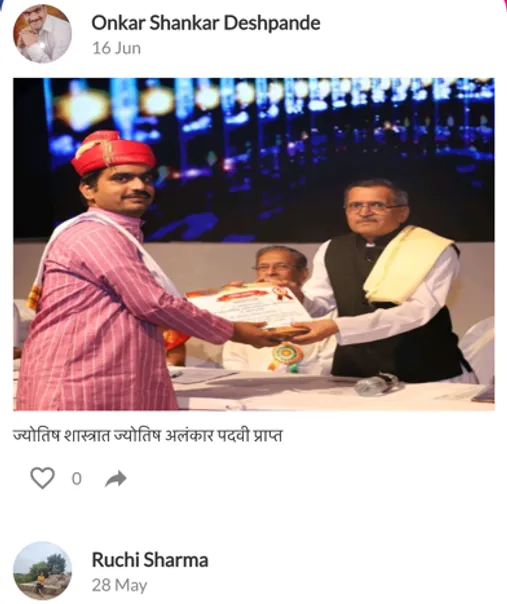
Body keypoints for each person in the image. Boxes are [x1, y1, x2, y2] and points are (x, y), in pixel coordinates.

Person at [17, 131, 281, 411]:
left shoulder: (118, 233)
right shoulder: (95, 234)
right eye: (122, 178)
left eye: (146, 178)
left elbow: (135, 301)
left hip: (107, 377)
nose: (139, 186)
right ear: (88, 190)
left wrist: (222, 300)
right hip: (81, 382)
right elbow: (151, 303)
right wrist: (233, 330)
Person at [284, 179, 477, 384]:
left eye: (376, 205)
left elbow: (418, 311)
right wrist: (297, 298)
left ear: (402, 213)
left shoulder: (433, 249)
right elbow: (321, 302)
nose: (364, 212)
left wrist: (337, 326)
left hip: (425, 370)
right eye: (355, 205)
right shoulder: (331, 248)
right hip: (353, 370)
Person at [221, 245, 336, 374]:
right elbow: (234, 358)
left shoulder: (323, 310)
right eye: (263, 267)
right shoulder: (243, 308)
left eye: (282, 266)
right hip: (255, 382)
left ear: (304, 273)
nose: (270, 272)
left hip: (314, 383)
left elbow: (330, 360)